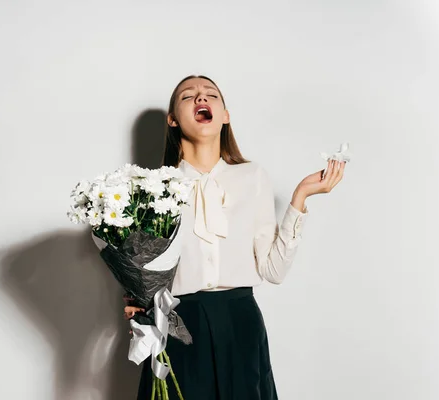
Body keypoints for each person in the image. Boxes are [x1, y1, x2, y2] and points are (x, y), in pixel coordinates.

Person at [129, 75, 346, 400]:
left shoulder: (252, 177)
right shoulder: (153, 188)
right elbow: (144, 272)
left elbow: (273, 271)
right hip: (179, 326)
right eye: (188, 96)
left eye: (211, 95)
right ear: (172, 120)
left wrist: (300, 197)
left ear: (225, 114)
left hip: (240, 321)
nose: (201, 98)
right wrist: (134, 296)